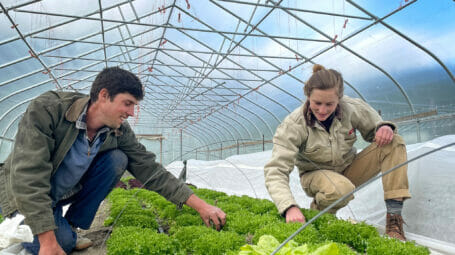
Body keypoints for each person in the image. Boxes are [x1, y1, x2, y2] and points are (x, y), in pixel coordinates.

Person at [0, 66, 226, 255]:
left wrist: (202, 206)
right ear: (104, 95)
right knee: (61, 245)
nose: (131, 112)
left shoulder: (118, 131)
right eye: (127, 103)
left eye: (134, 106)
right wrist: (48, 242)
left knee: (118, 158)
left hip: (59, 194)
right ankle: (54, 232)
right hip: (22, 196)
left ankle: (68, 226)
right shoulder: (49, 110)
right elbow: (28, 175)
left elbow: (150, 169)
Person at [264, 64, 410, 241]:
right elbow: (275, 170)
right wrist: (289, 207)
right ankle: (321, 213)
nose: (323, 110)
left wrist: (384, 128)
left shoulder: (352, 108)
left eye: (329, 104)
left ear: (339, 99)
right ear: (308, 96)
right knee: (340, 189)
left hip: (348, 168)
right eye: (317, 103)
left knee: (393, 141)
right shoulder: (294, 125)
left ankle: (394, 221)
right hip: (314, 175)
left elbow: (376, 130)